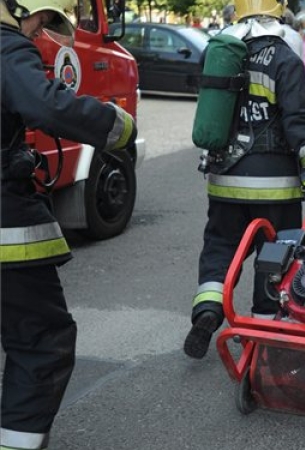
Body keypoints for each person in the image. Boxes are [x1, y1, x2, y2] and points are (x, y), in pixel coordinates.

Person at [1, 0, 137, 445]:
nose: (40, 32)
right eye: (41, 21)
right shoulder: (7, 47)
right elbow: (45, 104)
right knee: (43, 343)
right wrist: (117, 126)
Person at [184, 0, 305, 359]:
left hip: (224, 179)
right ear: (278, 16)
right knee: (276, 258)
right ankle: (260, 335)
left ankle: (209, 308)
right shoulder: (283, 59)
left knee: (221, 247)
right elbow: (299, 124)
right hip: (276, 185)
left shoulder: (220, 53)